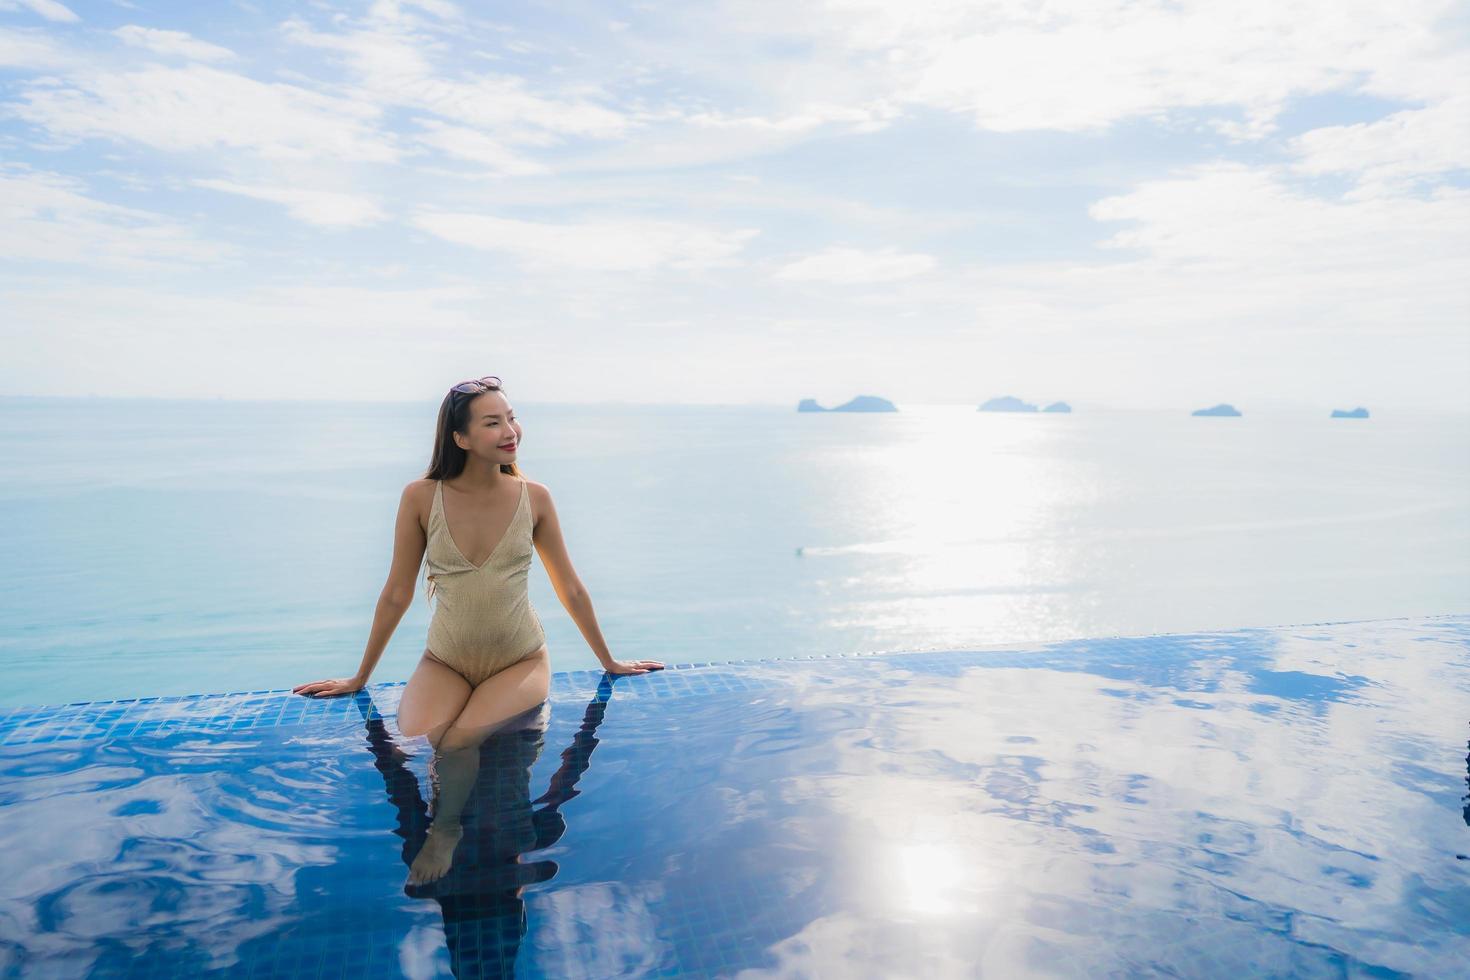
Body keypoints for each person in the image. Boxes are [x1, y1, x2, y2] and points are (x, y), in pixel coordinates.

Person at [293, 375, 663, 883]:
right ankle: (448, 822)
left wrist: (610, 662)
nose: (510, 430)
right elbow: (397, 592)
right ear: (460, 438)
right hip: (445, 661)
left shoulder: (535, 498)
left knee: (460, 742)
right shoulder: (421, 498)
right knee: (420, 738)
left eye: (511, 417)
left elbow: (570, 588)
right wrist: (360, 678)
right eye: (493, 422)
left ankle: (443, 832)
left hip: (520, 660)